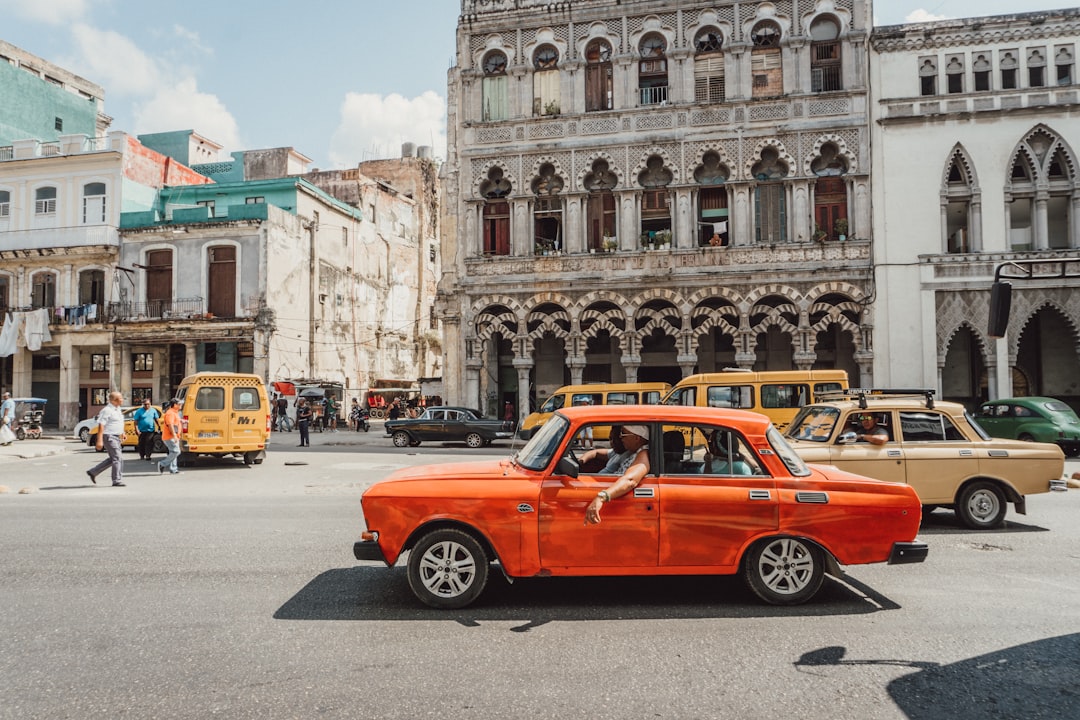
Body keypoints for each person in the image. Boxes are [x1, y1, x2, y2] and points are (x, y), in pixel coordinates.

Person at [584, 425, 650, 525]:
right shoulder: (632, 452)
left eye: (623, 434)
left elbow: (630, 480)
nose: (620, 437)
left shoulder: (643, 453)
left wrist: (602, 497)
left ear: (637, 438)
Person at [87, 391, 127, 487]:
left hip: (116, 436)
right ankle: (116, 480)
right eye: (121, 398)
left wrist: (122, 432)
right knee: (117, 458)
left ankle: (93, 471)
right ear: (114, 400)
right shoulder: (107, 410)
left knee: (113, 458)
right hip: (109, 436)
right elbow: (101, 425)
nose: (122, 400)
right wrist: (99, 440)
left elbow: (118, 422)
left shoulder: (117, 409)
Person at [157, 399, 183, 475]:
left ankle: (174, 469)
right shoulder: (170, 413)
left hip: (173, 436)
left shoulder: (174, 412)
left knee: (173, 452)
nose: (181, 405)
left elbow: (175, 422)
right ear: (175, 405)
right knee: (176, 451)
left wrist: (182, 421)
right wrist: (174, 435)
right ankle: (162, 464)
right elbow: (170, 424)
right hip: (170, 436)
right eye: (179, 404)